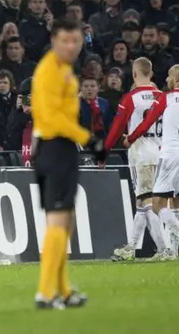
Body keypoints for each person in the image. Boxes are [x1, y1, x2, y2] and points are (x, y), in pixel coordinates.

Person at [31, 19, 107, 310]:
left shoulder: (65, 71)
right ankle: (45, 291)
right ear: (54, 40)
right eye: (65, 40)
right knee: (58, 219)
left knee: (66, 220)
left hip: (61, 149)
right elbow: (51, 119)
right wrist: (88, 139)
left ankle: (62, 289)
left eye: (76, 40)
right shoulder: (49, 71)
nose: (71, 46)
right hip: (53, 147)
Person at [124, 64, 179, 261]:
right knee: (177, 203)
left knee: (156, 204)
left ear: (177, 79)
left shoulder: (166, 97)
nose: (167, 79)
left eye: (170, 76)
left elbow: (147, 123)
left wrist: (131, 137)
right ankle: (175, 252)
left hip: (170, 153)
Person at [103, 57, 171, 262]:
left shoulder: (131, 98)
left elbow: (117, 127)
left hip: (142, 153)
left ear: (134, 74)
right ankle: (131, 247)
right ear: (151, 74)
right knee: (143, 201)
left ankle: (163, 248)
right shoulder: (164, 97)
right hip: (163, 152)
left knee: (147, 201)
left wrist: (104, 151)